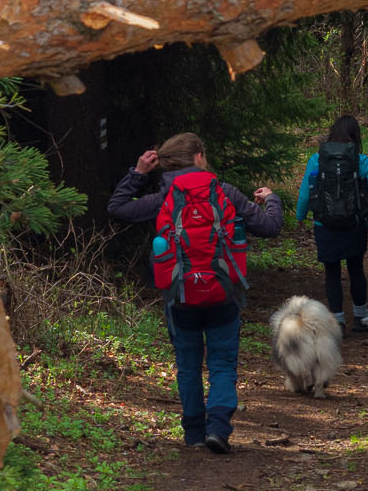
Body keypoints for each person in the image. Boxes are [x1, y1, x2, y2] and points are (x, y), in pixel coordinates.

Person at [109, 131, 282, 454]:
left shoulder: (165, 197)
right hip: (222, 293)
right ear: (200, 156)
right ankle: (218, 427)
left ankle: (193, 433)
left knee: (187, 364)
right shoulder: (225, 192)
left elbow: (118, 208)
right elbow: (270, 227)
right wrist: (271, 198)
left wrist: (138, 173)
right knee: (222, 363)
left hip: (179, 296)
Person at [294, 113, 368, 334]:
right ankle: (361, 318)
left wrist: (300, 217)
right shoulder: (362, 161)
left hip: (325, 225)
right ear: (356, 136)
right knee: (356, 269)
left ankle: (337, 321)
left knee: (331, 272)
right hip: (354, 225)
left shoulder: (316, 160)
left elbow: (305, 194)